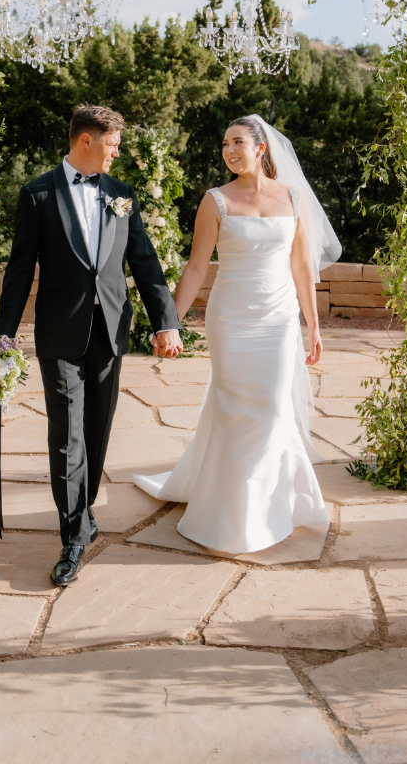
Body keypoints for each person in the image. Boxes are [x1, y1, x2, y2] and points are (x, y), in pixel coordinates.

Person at [133, 115, 341, 555]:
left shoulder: (293, 198)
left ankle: (266, 507)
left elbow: (303, 267)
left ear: (261, 148)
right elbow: (195, 268)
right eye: (224, 143)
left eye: (238, 142)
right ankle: (229, 514)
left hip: (279, 319)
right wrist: (169, 321)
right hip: (231, 319)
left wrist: (314, 326)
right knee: (234, 408)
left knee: (269, 407)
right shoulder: (215, 201)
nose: (229, 151)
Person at [0, 104, 182, 586]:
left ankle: (83, 507)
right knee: (67, 434)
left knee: (97, 430)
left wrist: (167, 322)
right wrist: (4, 329)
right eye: (112, 145)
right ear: (85, 141)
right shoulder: (37, 194)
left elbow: (144, 261)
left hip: (110, 332)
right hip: (59, 332)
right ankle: (74, 535)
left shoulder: (121, 195)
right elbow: (20, 271)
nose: (116, 153)